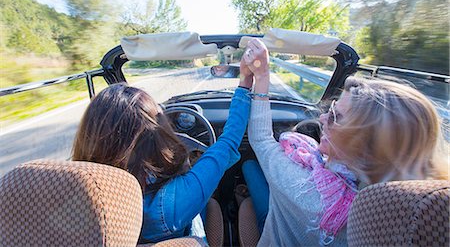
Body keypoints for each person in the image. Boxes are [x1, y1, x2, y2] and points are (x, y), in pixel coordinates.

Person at [241, 38, 449, 246]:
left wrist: (261, 75)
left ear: (365, 150)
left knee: (249, 168)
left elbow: (262, 139)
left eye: (334, 116)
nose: (322, 118)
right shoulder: (406, 215)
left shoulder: (306, 193)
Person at [71, 59, 254, 244]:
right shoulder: (174, 202)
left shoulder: (73, 193)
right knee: (209, 204)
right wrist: (246, 81)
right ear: (156, 136)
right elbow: (229, 140)